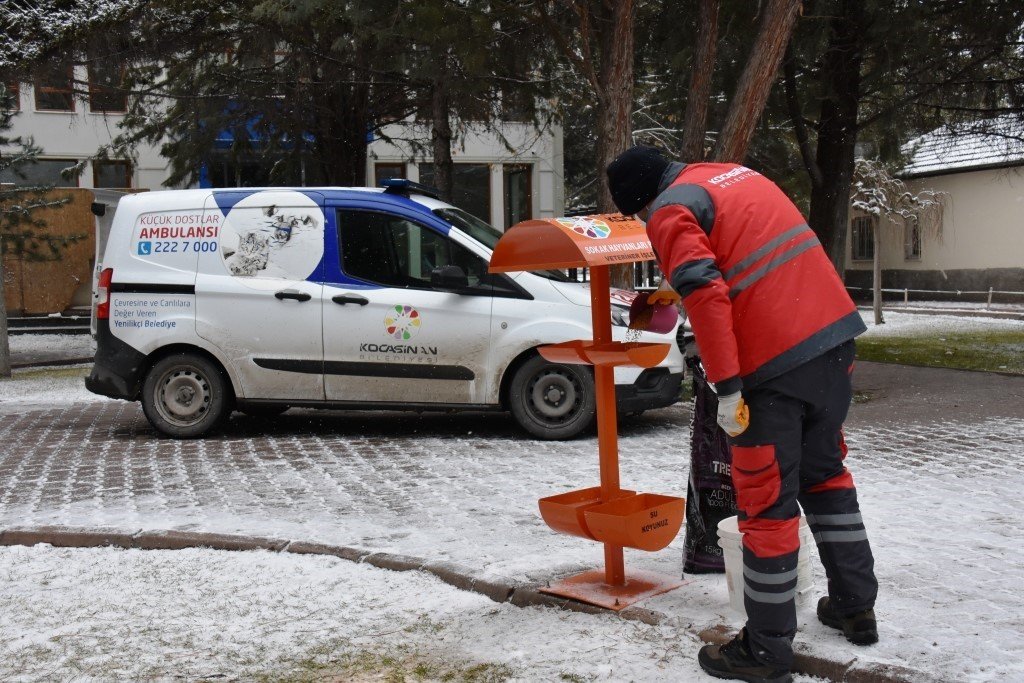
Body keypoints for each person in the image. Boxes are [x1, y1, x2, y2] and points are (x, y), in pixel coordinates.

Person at [607, 145, 879, 683]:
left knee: (766, 505)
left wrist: (727, 386)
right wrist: (671, 289)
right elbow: (744, 256)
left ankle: (765, 649)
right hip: (833, 344)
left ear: (642, 201)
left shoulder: (667, 211)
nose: (645, 222)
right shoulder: (729, 177)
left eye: (638, 214)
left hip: (772, 370)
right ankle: (854, 605)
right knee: (826, 478)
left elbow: (706, 294)